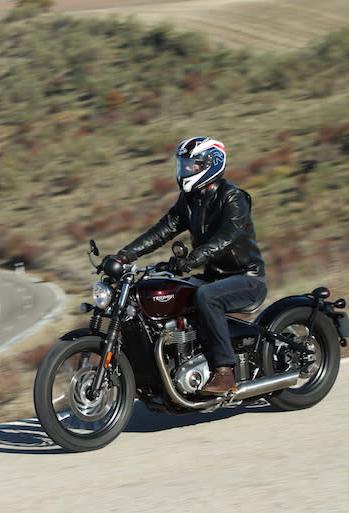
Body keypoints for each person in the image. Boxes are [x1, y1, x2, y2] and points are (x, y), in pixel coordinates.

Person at [108, 136, 267, 395]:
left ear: (212, 164)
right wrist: (123, 256)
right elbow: (162, 230)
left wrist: (193, 259)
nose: (185, 171)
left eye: (192, 165)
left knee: (207, 297)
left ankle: (224, 373)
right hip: (213, 276)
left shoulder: (233, 198)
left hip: (247, 278)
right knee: (168, 292)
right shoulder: (190, 200)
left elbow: (225, 238)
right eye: (183, 165)